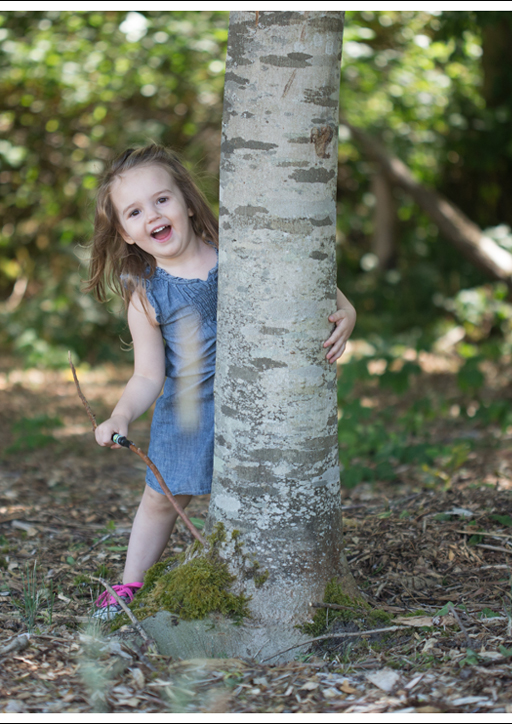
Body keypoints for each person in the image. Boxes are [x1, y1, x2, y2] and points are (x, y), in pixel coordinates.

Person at [84, 145, 356, 620]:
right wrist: (120, 414)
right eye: (135, 212)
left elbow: (302, 278)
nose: (153, 215)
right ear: (125, 233)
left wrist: (345, 309)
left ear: (187, 203)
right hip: (188, 411)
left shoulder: (238, 249)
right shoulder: (146, 293)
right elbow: (147, 374)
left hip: (258, 398)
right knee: (162, 499)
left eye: (161, 200)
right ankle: (129, 584)